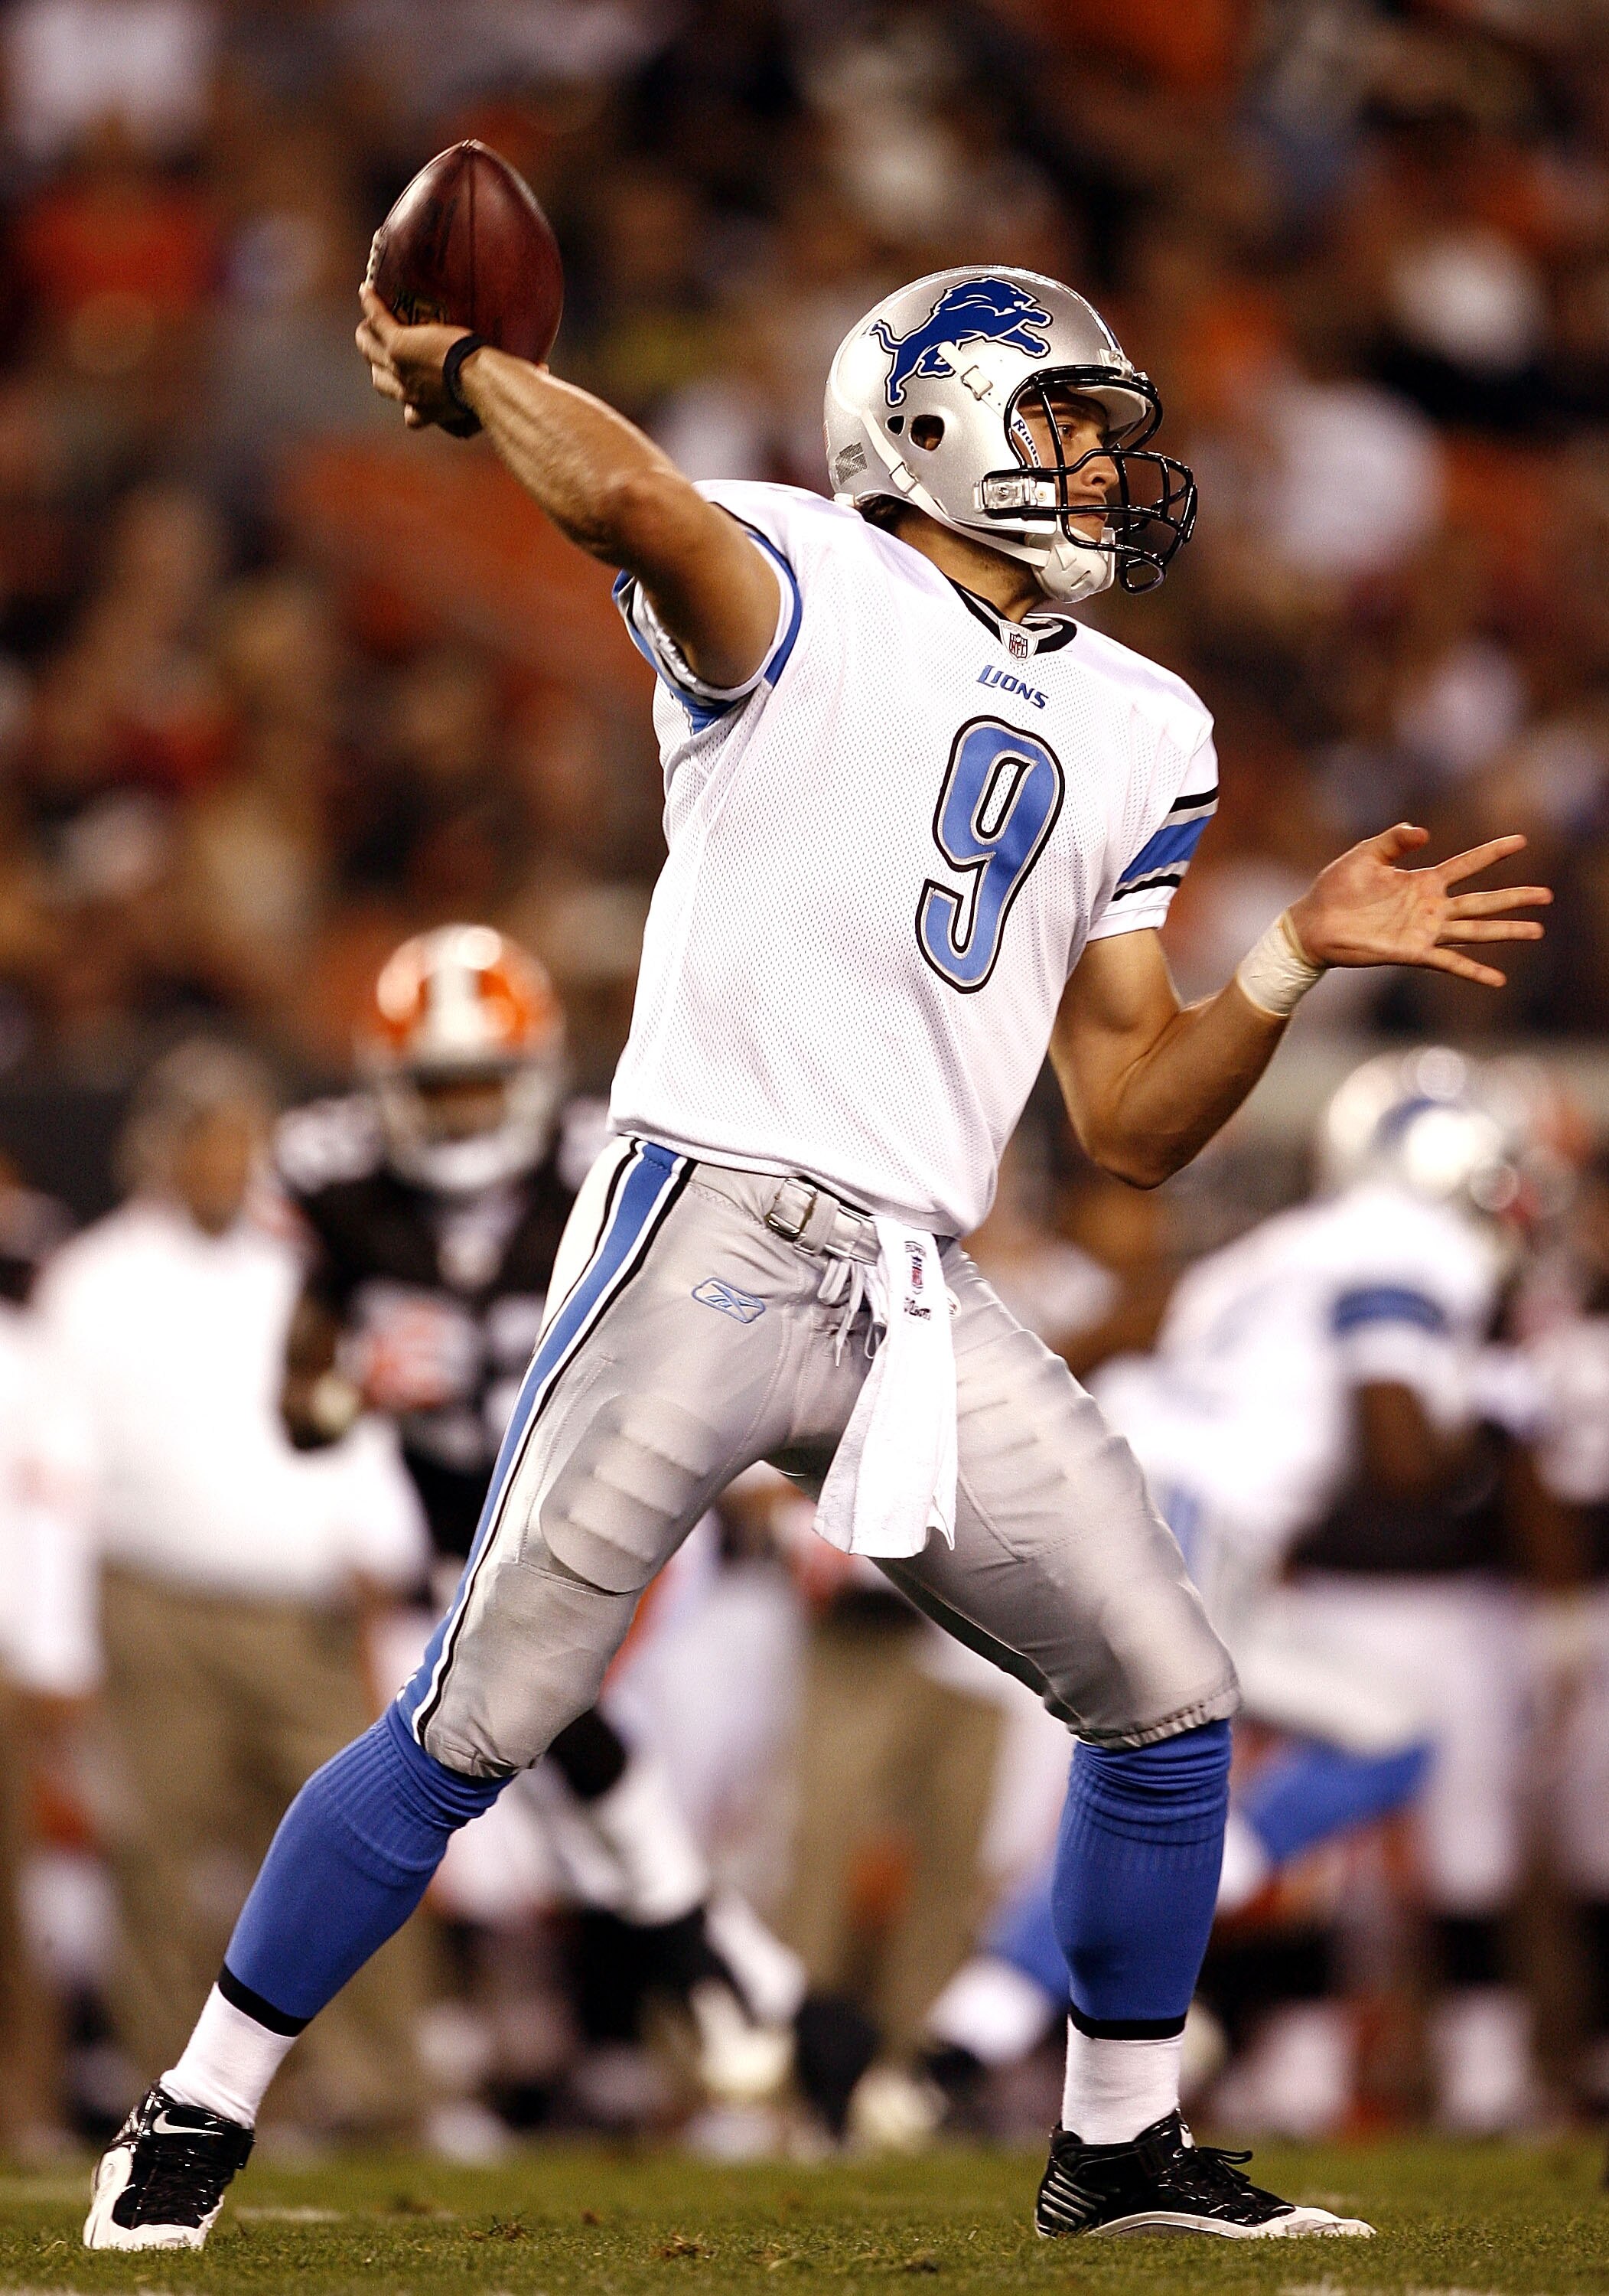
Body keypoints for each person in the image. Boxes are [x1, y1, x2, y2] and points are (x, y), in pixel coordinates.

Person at [86, 259, 1549, 2249]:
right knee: (478, 1718)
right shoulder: (805, 574)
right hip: (709, 1215)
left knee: (1164, 1687)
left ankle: (1117, 2144)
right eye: (1063, 424)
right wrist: (482, 366)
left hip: (914, 1282)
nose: (1106, 465)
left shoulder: (1145, 722)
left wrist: (1286, 961)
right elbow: (633, 506)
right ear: (932, 429)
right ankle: (191, 2117)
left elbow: (1127, 1121)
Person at [925, 1048, 1539, 2129]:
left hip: (1123, 1502)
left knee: (1228, 1770)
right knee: (1327, 1750)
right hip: (1190, 1527)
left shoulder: (1280, 1247)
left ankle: (966, 2045)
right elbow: (1398, 1440)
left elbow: (1131, 1338)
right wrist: (1490, 1421)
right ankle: (1007, 2022)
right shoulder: (1412, 1244)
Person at [275, 923, 796, 2118]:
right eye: (437, 1089)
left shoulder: (603, 1167)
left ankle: (708, 1974)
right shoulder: (344, 1191)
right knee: (553, 1806)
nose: (461, 1117)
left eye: (482, 1086)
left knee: (554, 1736)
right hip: (461, 1539)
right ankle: (725, 1970)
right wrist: (355, 1381)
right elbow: (294, 1411)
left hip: (606, 1512)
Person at [33, 1040, 432, 2141]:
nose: (223, 1160)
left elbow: (348, 1427)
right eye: (203, 1138)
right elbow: (63, 1471)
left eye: (238, 1139)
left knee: (359, 1845)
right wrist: (65, 1642)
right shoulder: (97, 1279)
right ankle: (170, 2103)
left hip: (293, 1613)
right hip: (155, 1606)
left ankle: (383, 2093)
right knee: (156, 1857)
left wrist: (378, 1539)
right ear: (160, 1148)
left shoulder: (294, 1270)